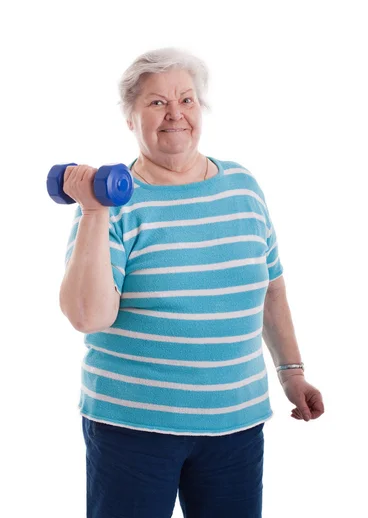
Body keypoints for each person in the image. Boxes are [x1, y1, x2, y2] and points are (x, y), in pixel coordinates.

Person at [59, 47, 325, 518]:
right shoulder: (113, 204)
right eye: (156, 102)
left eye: (186, 99)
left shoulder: (243, 185)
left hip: (236, 424)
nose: (175, 114)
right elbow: (89, 316)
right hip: (133, 428)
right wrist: (95, 210)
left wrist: (292, 372)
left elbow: (272, 289)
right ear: (130, 118)